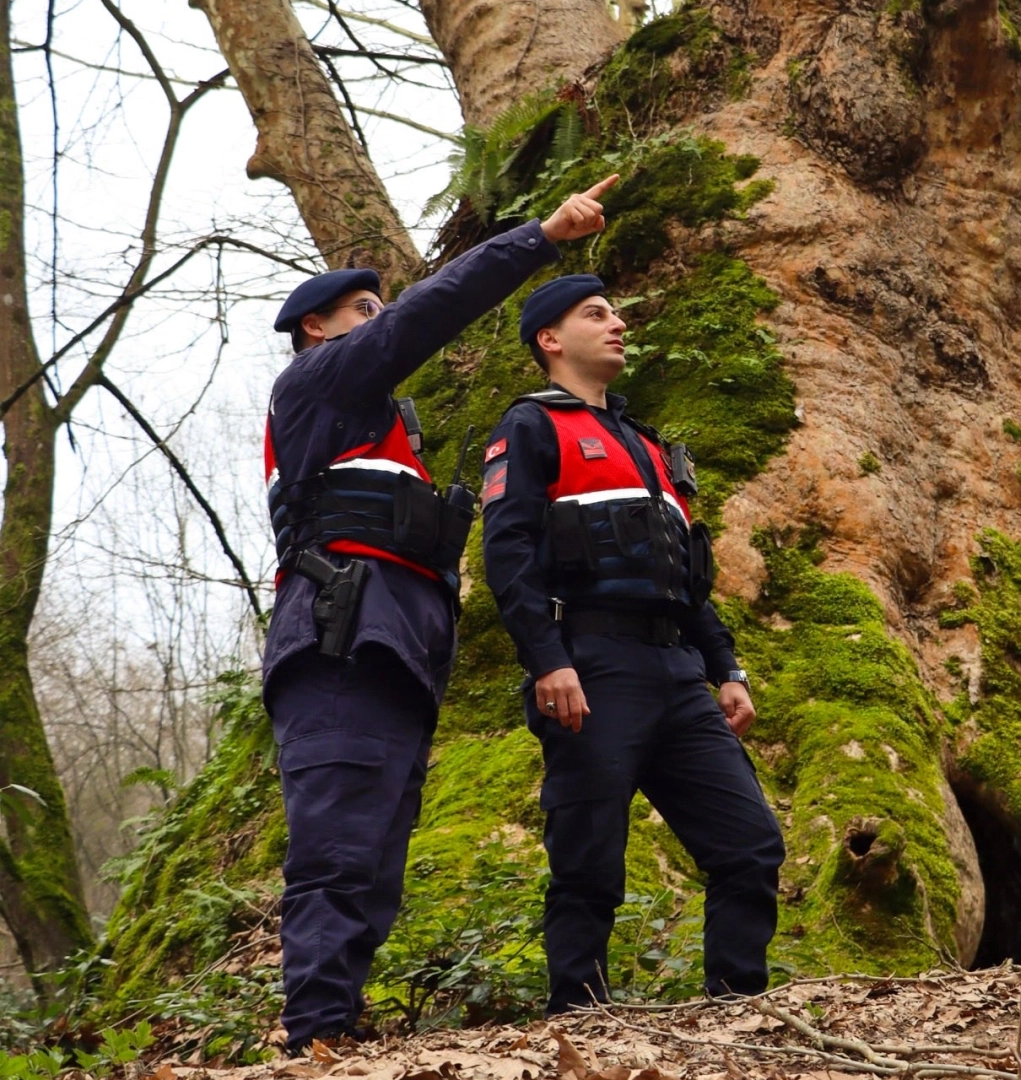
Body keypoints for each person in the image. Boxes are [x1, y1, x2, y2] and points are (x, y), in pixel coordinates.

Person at [261, 175, 618, 1054]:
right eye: (363, 310)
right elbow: (430, 314)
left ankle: (334, 1028)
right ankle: (315, 1036)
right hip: (340, 644)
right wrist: (541, 236)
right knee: (340, 845)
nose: (378, 322)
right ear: (319, 326)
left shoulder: (372, 426)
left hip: (391, 653)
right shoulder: (318, 385)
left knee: (375, 858)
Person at [481, 274, 786, 1015]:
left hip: (679, 672)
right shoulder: (530, 428)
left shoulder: (647, 445)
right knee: (588, 860)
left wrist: (728, 669)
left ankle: (736, 1010)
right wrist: (548, 658)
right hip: (592, 664)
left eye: (616, 312)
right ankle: (579, 1021)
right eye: (596, 314)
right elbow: (508, 553)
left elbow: (689, 577)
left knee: (750, 845)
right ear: (549, 340)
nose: (617, 323)